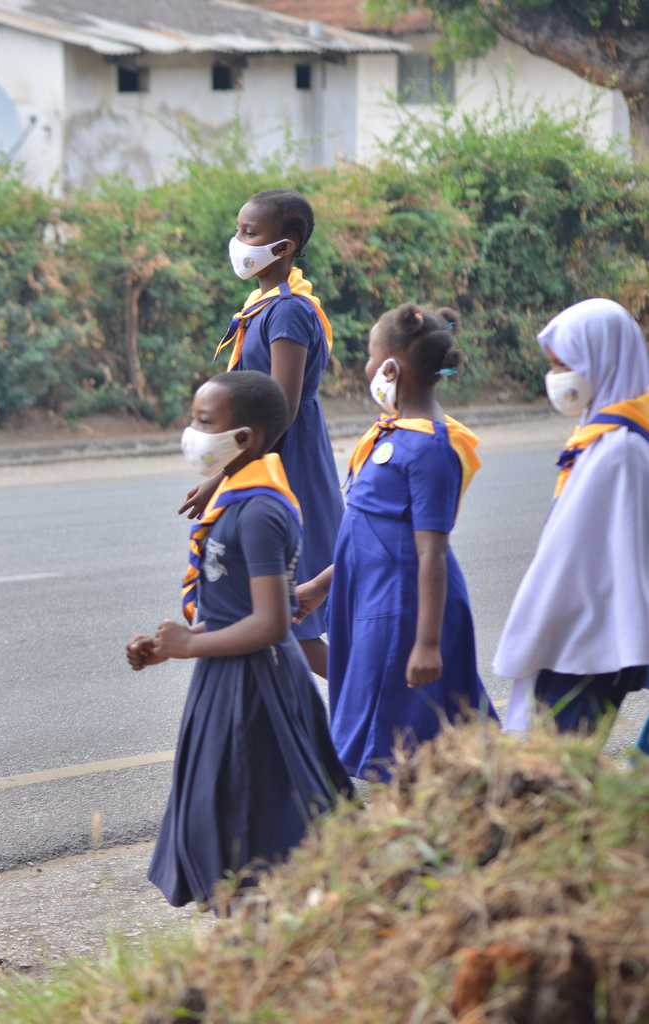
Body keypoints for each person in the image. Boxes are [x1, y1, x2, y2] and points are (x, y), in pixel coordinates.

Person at [132, 370, 350, 910]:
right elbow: (238, 611)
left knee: (257, 819)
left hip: (256, 688)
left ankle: (263, 937)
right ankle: (248, 934)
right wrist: (171, 645)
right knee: (226, 811)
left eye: (205, 422)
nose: (192, 432)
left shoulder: (260, 511)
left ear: (245, 438)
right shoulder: (235, 495)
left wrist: (189, 645)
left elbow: (273, 624)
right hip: (225, 677)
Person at [295, 304, 493, 780]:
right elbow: (363, 533)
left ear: (390, 368)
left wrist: (426, 643)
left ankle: (419, 838)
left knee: (403, 743)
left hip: (406, 612)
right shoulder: (389, 434)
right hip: (374, 602)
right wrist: (319, 588)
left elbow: (431, 551)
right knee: (389, 738)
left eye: (369, 356)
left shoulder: (432, 448)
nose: (365, 368)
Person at [182, 189, 342, 680]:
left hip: (282, 461)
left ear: (286, 245)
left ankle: (374, 694)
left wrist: (224, 477)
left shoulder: (289, 310)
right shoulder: (263, 304)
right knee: (284, 612)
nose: (238, 242)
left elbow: (282, 405)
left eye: (250, 234)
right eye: (238, 231)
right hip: (264, 455)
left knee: (294, 620)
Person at [494, 299, 649, 748]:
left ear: (605, 361)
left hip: (589, 637)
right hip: (572, 628)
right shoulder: (598, 435)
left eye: (567, 364)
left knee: (561, 759)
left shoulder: (622, 448)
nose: (558, 377)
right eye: (554, 365)